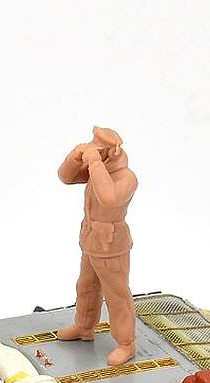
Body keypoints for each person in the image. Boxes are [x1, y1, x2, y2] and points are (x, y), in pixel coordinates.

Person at [56, 126, 139, 366]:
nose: (93, 149)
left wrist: (94, 163)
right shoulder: (98, 169)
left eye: (99, 147)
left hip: (111, 244)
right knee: (86, 286)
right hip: (91, 239)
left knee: (116, 295)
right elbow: (66, 177)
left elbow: (109, 198)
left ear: (113, 152)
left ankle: (126, 343)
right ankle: (84, 326)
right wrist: (75, 157)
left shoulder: (126, 177)